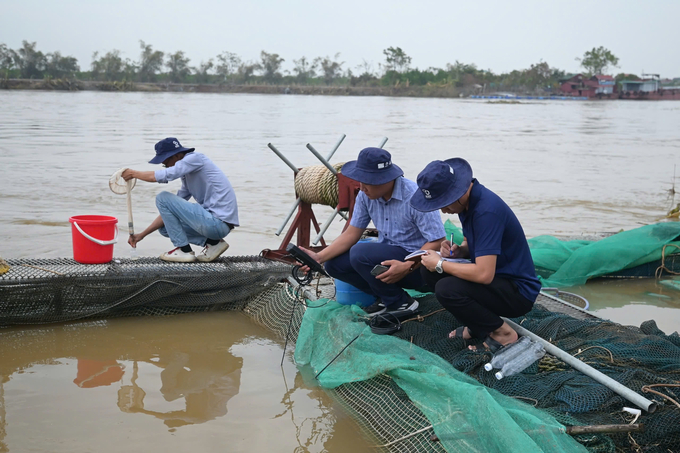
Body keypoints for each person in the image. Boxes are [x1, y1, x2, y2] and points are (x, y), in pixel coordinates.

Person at [409, 158, 541, 351]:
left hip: (517, 291)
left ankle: (503, 334)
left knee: (446, 287)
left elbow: (483, 274)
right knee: (430, 273)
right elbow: (472, 245)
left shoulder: (486, 211)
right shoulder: (467, 203)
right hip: (497, 278)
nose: (443, 210)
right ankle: (478, 324)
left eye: (444, 203)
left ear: (458, 193)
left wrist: (440, 263)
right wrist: (458, 251)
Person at [302, 147, 446, 316]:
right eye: (360, 181)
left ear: (386, 179)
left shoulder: (414, 195)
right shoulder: (365, 196)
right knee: (334, 265)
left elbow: (438, 241)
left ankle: (401, 304)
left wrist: (407, 266)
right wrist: (318, 257)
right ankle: (387, 297)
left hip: (418, 268)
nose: (362, 187)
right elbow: (351, 233)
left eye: (367, 182)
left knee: (360, 252)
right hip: (389, 263)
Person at [122, 137, 239, 263]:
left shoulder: (195, 158)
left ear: (177, 155)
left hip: (218, 223)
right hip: (215, 226)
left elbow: (166, 175)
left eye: (165, 161)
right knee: (164, 228)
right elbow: (170, 209)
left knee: (162, 197)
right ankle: (214, 243)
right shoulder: (188, 176)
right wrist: (141, 235)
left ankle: (184, 251)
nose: (165, 165)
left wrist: (134, 173)